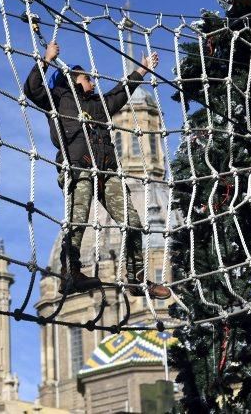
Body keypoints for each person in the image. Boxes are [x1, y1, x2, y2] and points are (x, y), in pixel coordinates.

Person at [24, 41, 171, 300]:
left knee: (133, 223)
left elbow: (118, 95)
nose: (93, 81)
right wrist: (46, 59)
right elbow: (32, 89)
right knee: (78, 219)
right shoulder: (59, 101)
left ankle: (136, 279)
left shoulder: (97, 105)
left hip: (107, 171)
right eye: (87, 77)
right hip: (79, 168)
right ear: (72, 81)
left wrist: (142, 71)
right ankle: (72, 273)